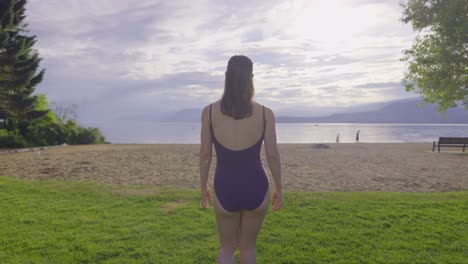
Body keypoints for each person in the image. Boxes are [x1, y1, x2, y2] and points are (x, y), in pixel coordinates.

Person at [199, 55, 282, 264]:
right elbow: (272, 154)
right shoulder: (265, 114)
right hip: (256, 185)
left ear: (227, 77)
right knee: (248, 248)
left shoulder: (209, 112)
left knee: (227, 249)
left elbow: (205, 154)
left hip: (225, 186)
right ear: (251, 78)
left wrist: (203, 188)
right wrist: (279, 188)